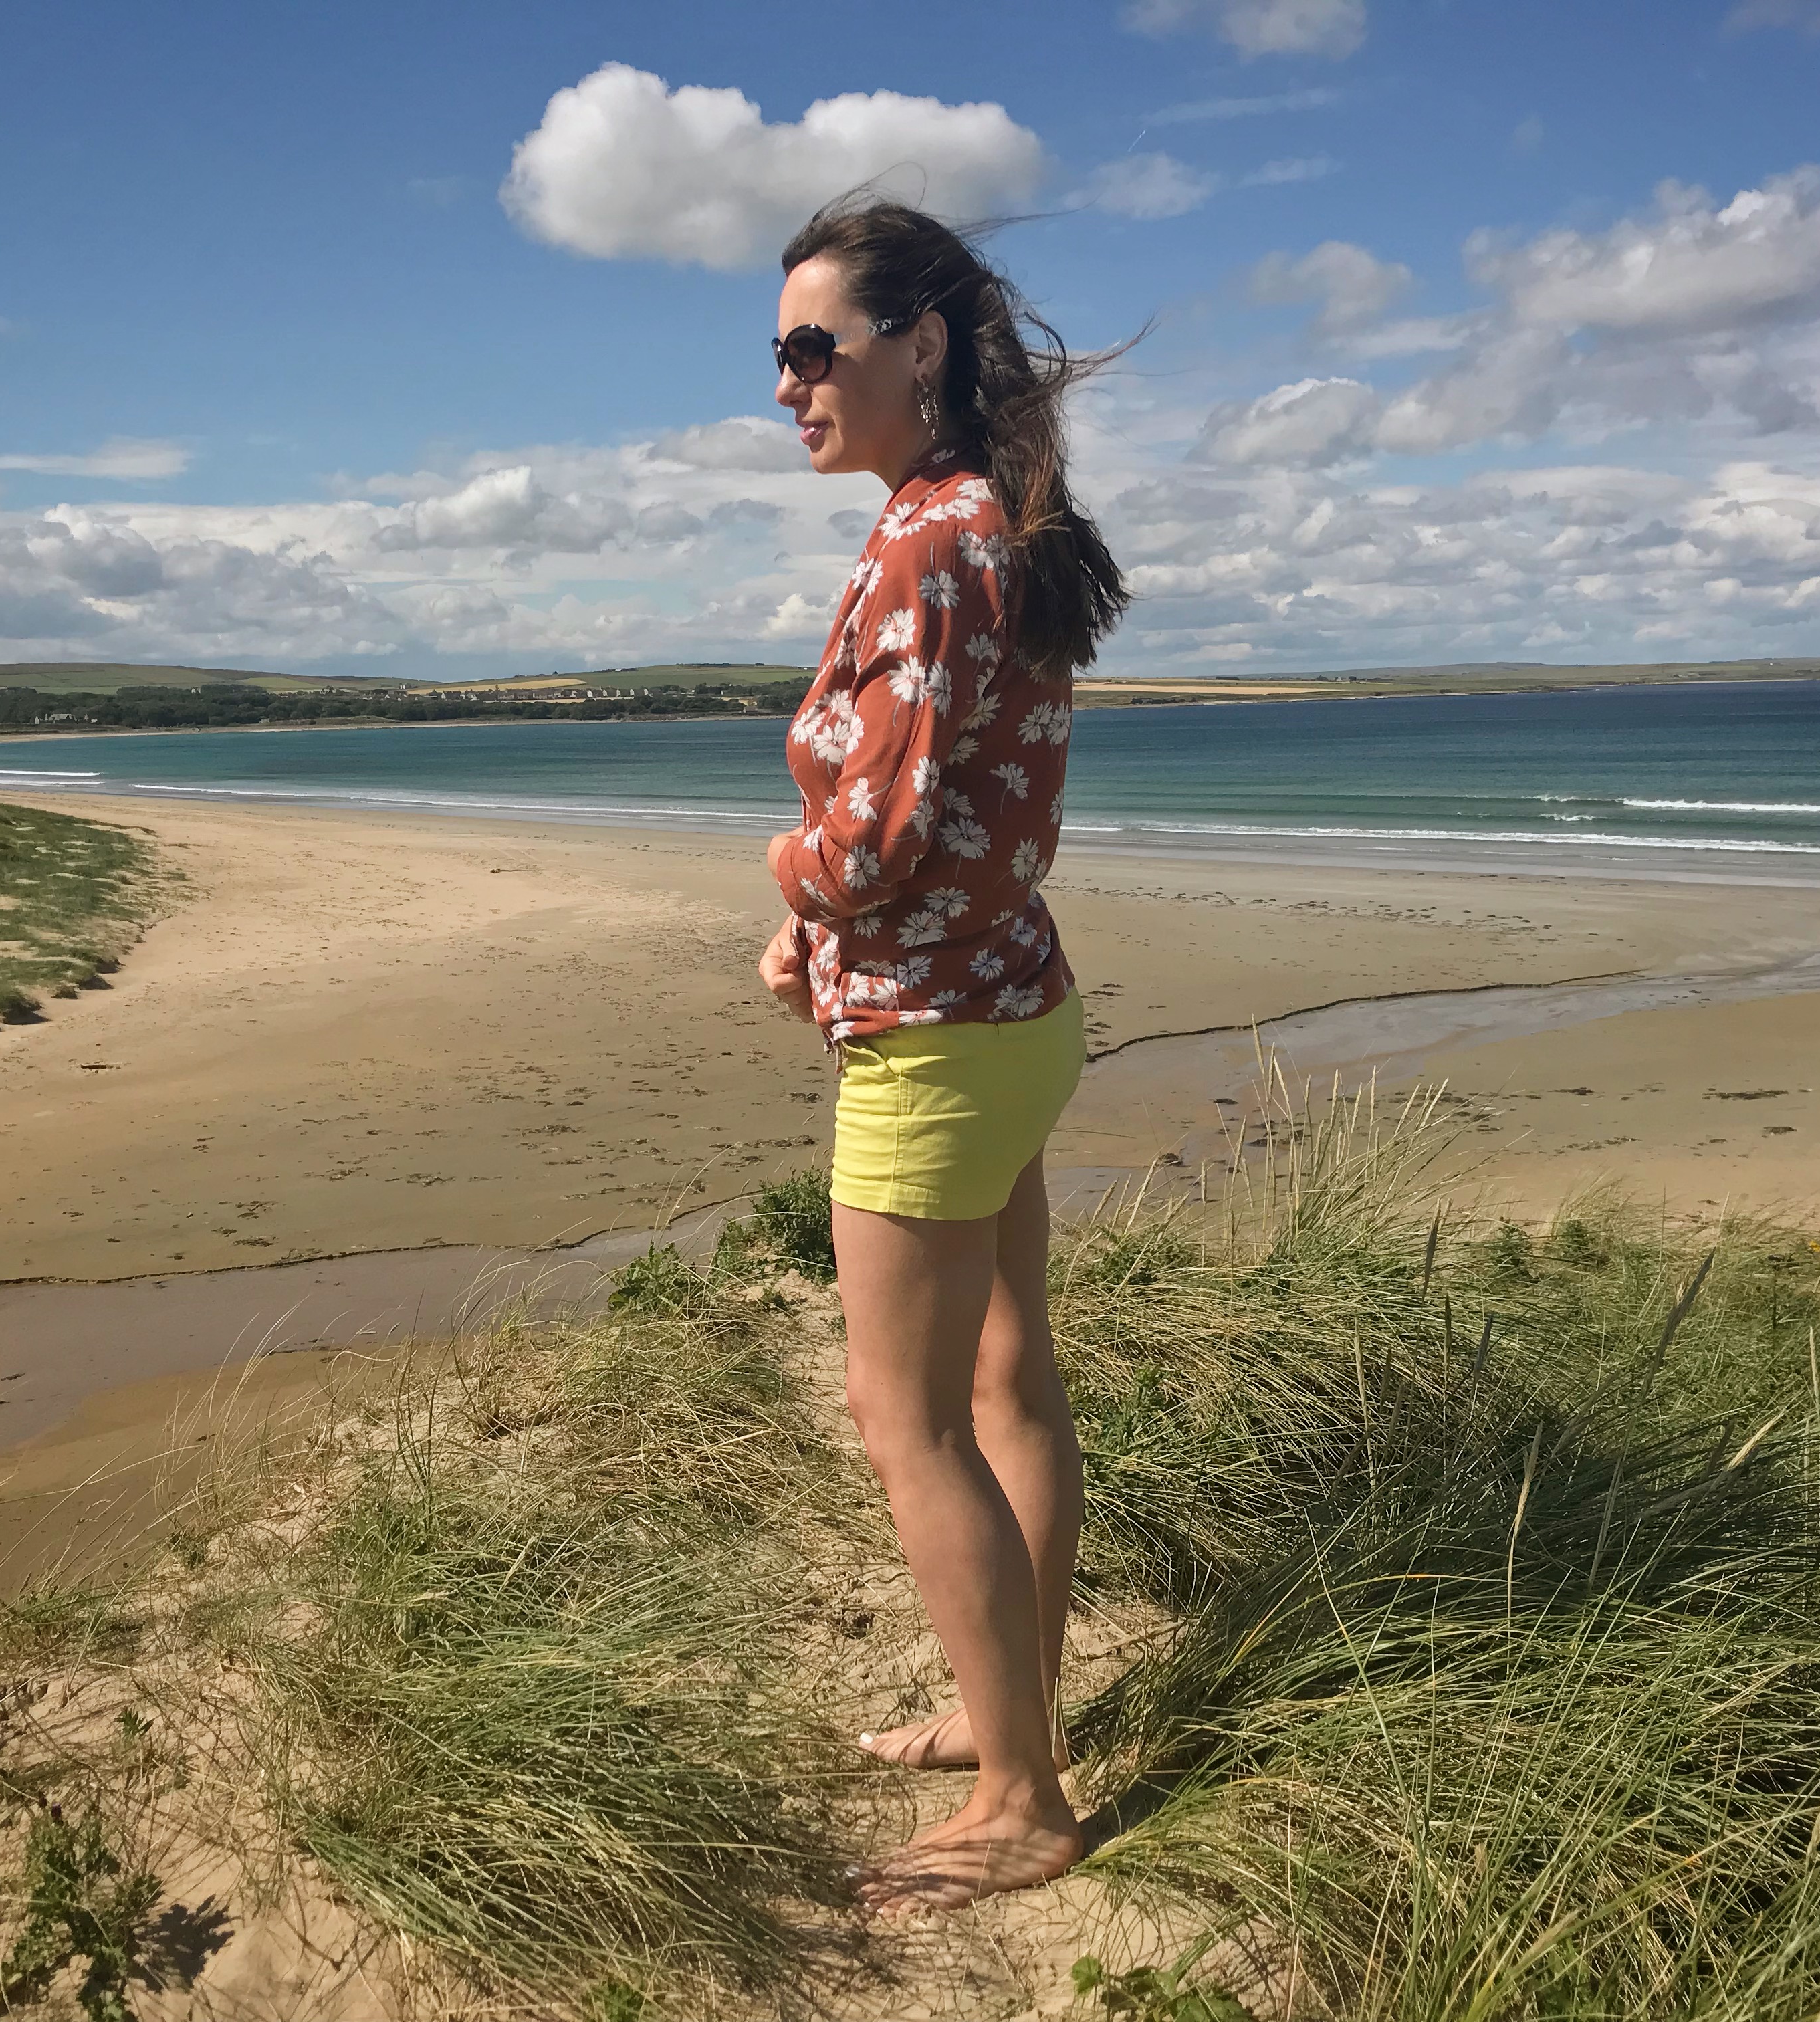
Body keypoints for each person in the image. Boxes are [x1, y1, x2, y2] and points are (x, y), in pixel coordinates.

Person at [757, 197, 1130, 1914]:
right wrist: (820, 922)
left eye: (809, 350)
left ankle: (1023, 1803)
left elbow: (879, 833)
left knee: (903, 1413)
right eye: (777, 356)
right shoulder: (997, 515)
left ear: (918, 346)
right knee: (1005, 1379)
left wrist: (792, 881)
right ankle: (1008, 1719)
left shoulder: (930, 539)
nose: (787, 386)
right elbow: (960, 805)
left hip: (936, 1043)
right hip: (1013, 1007)